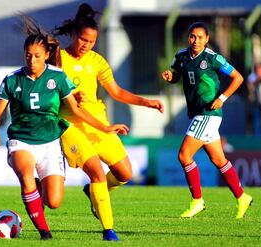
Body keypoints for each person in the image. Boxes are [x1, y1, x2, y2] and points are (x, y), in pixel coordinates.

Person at [0, 15, 128, 241]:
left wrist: (106, 127)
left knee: (53, 201)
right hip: (21, 140)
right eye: (28, 55)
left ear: (46, 57)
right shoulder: (12, 80)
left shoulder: (58, 77)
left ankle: (35, 195)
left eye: (37, 56)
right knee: (26, 176)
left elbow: (78, 110)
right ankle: (45, 234)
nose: (32, 60)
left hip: (51, 141)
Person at [53, 1, 164, 223]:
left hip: (99, 123)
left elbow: (116, 92)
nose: (86, 45)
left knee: (125, 174)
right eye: (83, 39)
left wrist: (146, 102)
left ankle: (91, 191)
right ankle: (106, 224)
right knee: (95, 171)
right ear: (74, 34)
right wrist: (69, 98)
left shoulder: (97, 61)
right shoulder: (59, 59)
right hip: (72, 125)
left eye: (92, 41)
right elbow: (51, 90)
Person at [161, 21, 252, 219]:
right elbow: (177, 75)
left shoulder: (213, 58)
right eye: (193, 36)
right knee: (218, 159)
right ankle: (242, 196)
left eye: (200, 37)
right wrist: (171, 76)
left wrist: (221, 99)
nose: (196, 40)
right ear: (188, 37)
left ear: (207, 39)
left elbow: (238, 78)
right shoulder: (182, 56)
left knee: (184, 156)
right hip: (197, 113)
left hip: (207, 113)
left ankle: (197, 201)